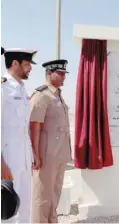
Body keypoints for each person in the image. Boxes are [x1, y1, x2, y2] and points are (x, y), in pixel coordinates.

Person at [29, 59, 72, 223]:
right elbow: (34, 127)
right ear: (49, 73)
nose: (63, 77)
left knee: (54, 194)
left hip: (59, 154)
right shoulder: (41, 95)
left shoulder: (58, 96)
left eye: (64, 74)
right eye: (60, 73)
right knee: (42, 196)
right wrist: (35, 155)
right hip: (46, 155)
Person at [1, 48, 37, 223]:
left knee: (25, 207)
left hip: (23, 158)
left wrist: (31, 155)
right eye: (27, 63)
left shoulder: (22, 89)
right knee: (8, 209)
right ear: (15, 63)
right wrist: (1, 164)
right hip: (7, 160)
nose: (30, 67)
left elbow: (24, 128)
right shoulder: (3, 88)